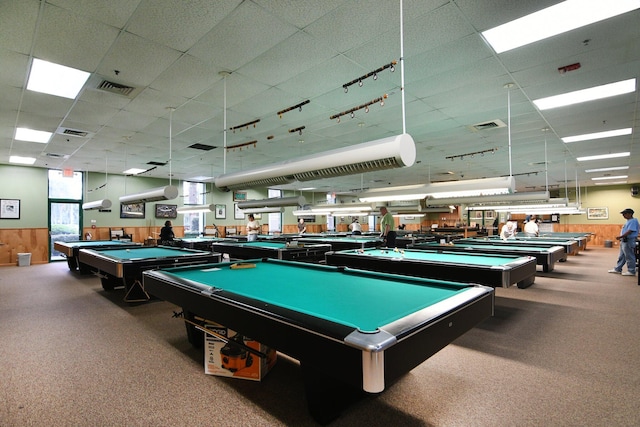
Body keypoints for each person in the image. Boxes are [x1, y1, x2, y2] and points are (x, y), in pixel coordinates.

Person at [608, 208, 638, 276]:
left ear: (630, 214)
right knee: (622, 256)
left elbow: (630, 231)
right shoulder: (628, 221)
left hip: (628, 241)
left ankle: (631, 271)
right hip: (624, 241)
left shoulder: (633, 221)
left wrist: (620, 236)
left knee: (629, 256)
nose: (623, 215)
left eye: (625, 214)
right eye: (623, 214)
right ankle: (618, 269)